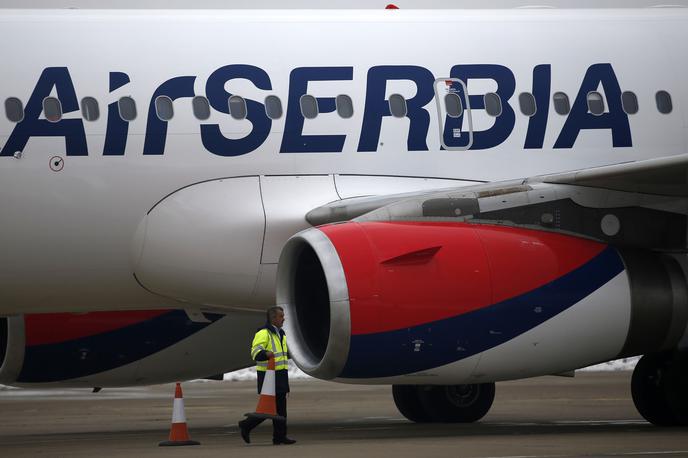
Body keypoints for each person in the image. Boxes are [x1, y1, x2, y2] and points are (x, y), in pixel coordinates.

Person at [238, 306, 296, 445]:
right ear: (273, 318)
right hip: (268, 379)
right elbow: (255, 353)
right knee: (269, 410)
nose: (284, 318)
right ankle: (246, 425)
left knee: (281, 410)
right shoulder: (263, 333)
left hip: (280, 376)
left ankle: (279, 437)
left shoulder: (281, 333)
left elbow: (281, 358)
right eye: (281, 316)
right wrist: (265, 354)